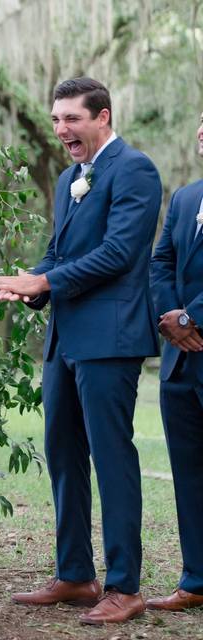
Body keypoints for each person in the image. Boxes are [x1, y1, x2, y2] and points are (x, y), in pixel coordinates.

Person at [0, 78, 162, 625]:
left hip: (110, 338)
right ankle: (75, 574)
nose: (62, 130)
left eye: (72, 119)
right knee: (63, 454)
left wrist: (46, 284)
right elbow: (60, 251)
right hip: (63, 338)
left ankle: (125, 586)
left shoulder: (135, 169)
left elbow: (118, 254)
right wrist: (29, 279)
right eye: (56, 120)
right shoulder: (69, 179)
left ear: (102, 117)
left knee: (111, 457)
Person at [146, 109, 203, 613]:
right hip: (181, 364)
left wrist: (193, 317)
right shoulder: (186, 198)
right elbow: (160, 260)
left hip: (196, 337)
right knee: (189, 475)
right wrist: (171, 318)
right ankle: (196, 578)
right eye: (202, 123)